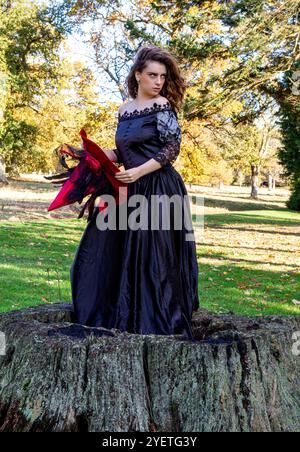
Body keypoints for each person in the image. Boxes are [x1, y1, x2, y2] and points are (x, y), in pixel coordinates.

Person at [71, 45, 200, 341]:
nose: (158, 81)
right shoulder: (124, 110)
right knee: (102, 245)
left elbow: (171, 149)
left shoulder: (164, 107)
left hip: (158, 187)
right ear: (138, 75)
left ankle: (156, 321)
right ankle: (112, 313)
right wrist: (100, 155)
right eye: (152, 75)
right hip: (126, 187)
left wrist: (139, 172)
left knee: (153, 257)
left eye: (163, 76)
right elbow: (125, 149)